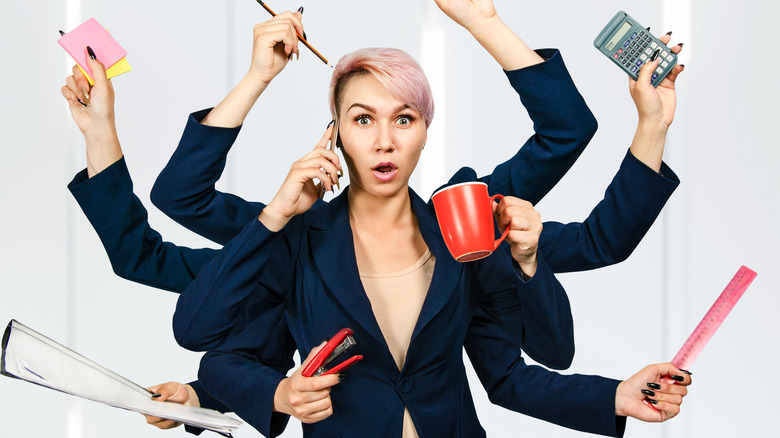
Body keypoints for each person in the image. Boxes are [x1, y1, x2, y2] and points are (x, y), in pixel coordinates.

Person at [60, 3, 688, 438]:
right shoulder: (290, 239)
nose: (384, 140)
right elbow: (167, 224)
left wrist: (482, 19)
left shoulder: (468, 220)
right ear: (336, 134)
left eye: (404, 119)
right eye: (363, 119)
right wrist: (255, 78)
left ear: (423, 134)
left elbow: (581, 173)